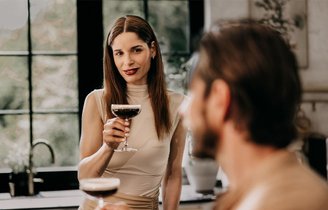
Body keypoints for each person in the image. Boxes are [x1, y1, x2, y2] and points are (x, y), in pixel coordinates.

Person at [180, 19, 328, 210]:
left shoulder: (282, 202)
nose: (183, 109)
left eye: (192, 93)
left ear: (219, 99)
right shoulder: (259, 190)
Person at [78, 15, 186, 210]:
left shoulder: (177, 104)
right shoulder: (96, 101)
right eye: (119, 53)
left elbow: (172, 173)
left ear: (152, 50)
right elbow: (85, 177)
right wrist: (108, 147)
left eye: (136, 50)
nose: (127, 61)